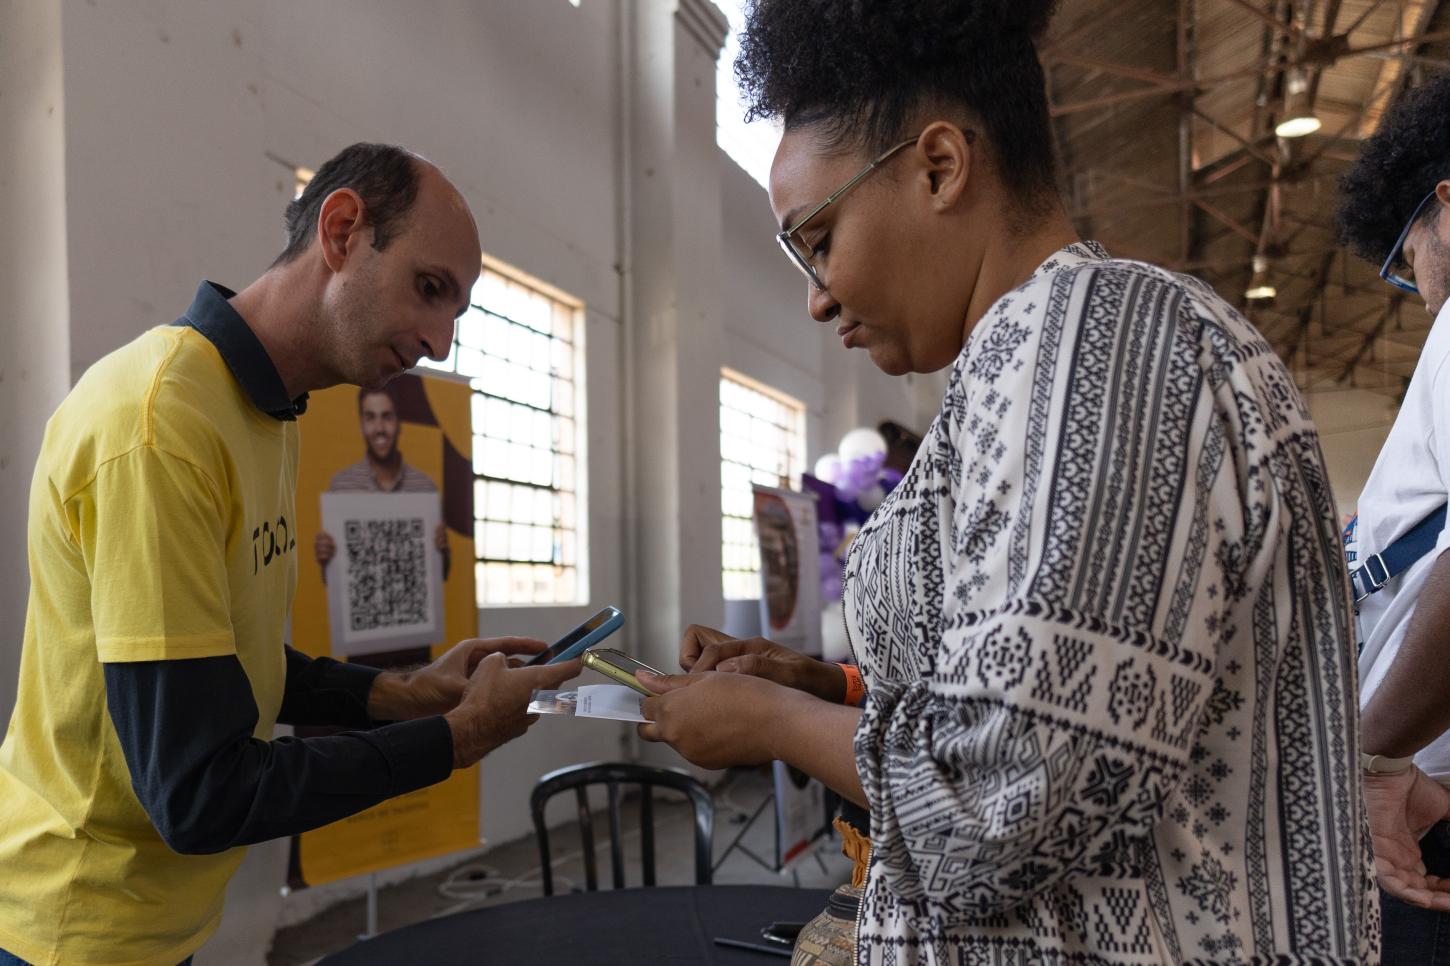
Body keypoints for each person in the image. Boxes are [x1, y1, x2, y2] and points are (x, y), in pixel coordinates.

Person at [637, 1, 1377, 962]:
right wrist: (826, 684)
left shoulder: (1105, 349)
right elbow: (1051, 698)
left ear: (939, 167)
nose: (815, 296)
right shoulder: (1018, 370)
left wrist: (776, 721)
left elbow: (1008, 798)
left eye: (818, 239)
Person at [0, 143, 578, 966]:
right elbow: (199, 791)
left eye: (458, 311)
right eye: (429, 289)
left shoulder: (264, 415)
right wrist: (457, 737)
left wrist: (403, 693)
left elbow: (227, 663)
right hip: (76, 933)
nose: (443, 343)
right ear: (341, 230)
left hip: (151, 923)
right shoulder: (161, 425)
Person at [1337, 71, 1450, 963]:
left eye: (1406, 252)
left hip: (1409, 814)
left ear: (1445, 204)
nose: (1414, 285)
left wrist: (1374, 765)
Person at [315, 384, 452, 581]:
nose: (379, 428)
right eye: (370, 417)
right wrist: (327, 558)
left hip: (413, 610)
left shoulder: (426, 489)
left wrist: (442, 553)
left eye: (387, 416)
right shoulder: (341, 487)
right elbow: (333, 580)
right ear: (361, 424)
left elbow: (441, 575)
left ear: (399, 423)